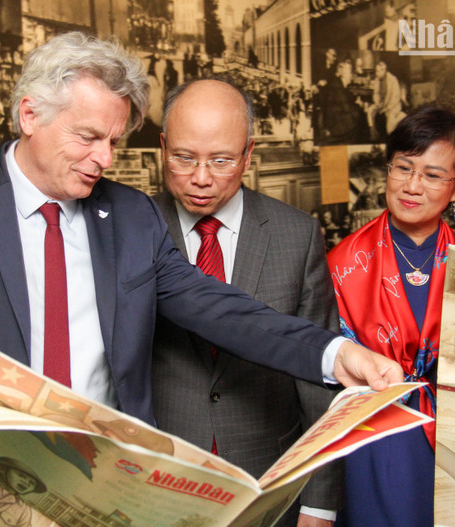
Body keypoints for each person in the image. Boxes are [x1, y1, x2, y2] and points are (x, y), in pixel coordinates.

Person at [0, 31, 401, 422]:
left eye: (115, 142)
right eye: (88, 136)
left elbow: (221, 309)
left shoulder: (129, 215)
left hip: (104, 477)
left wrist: (334, 354)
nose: (104, 159)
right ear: (30, 116)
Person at [152, 78, 342, 526]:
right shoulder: (133, 229)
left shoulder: (295, 235)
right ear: (162, 147)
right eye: (183, 157)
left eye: (221, 160)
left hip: (269, 479)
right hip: (161, 477)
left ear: (248, 155)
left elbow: (319, 383)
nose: (201, 177)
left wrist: (319, 501)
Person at [327, 106, 455, 527]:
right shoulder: (343, 264)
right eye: (403, 167)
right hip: (374, 436)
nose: (412, 186)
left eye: (433, 175)